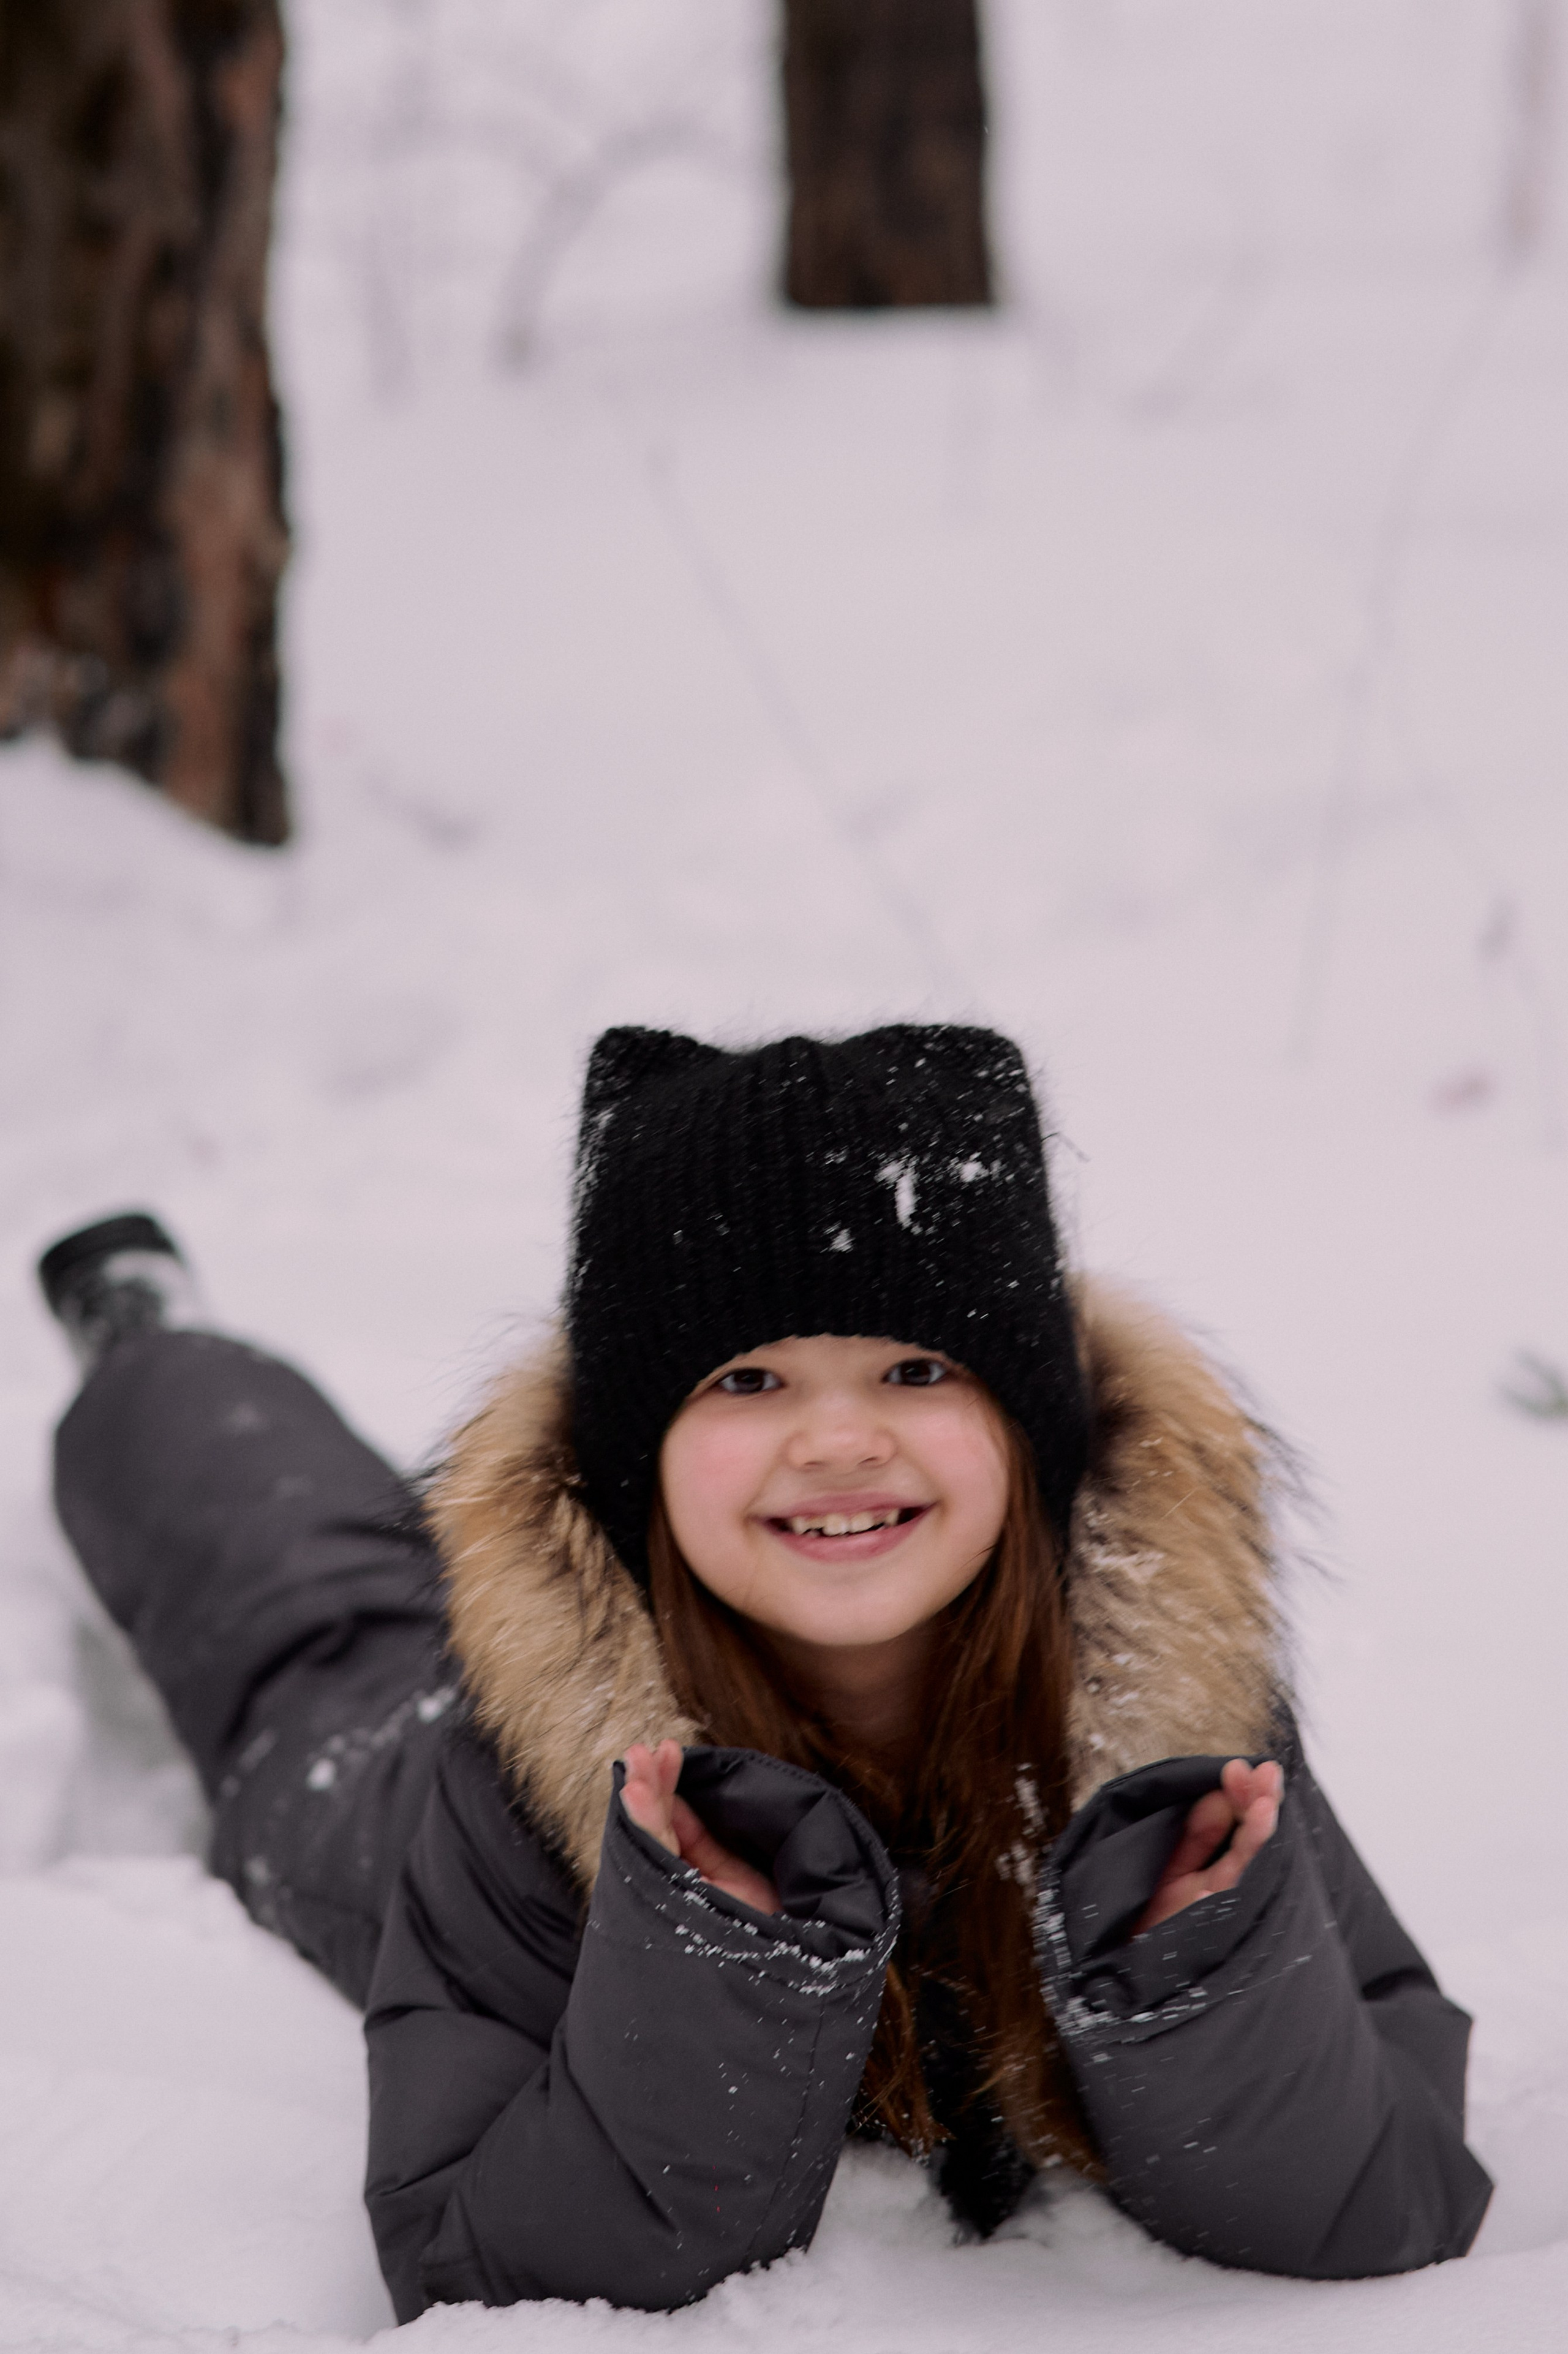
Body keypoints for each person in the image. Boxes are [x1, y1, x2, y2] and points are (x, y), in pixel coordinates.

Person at [38, 1025, 1491, 2318]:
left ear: (1031, 1424)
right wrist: (697, 1966)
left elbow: (1389, 2194)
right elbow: (468, 2261)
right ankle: (154, 1340)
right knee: (306, 1621)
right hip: (436, 1763)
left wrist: (1201, 1967)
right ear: (636, 1458)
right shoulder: (508, 1792)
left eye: (916, 1370)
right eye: (746, 1379)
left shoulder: (1168, 1712)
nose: (838, 1438)